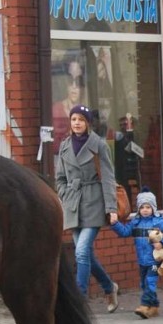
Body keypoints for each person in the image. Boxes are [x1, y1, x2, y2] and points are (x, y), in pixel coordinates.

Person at [55, 104, 120, 308]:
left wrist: (112, 208)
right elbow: (60, 178)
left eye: (81, 120)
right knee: (86, 254)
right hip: (73, 204)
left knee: (81, 251)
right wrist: (65, 194)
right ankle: (109, 287)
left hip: (94, 201)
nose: (77, 123)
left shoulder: (98, 144)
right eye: (74, 119)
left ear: (88, 123)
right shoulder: (64, 145)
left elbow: (108, 178)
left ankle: (80, 300)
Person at [110, 190, 163, 319]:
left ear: (153, 208)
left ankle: (145, 306)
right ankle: (154, 306)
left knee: (150, 281)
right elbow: (124, 232)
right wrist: (115, 224)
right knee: (143, 284)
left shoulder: (159, 223)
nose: (145, 210)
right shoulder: (135, 223)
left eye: (148, 207)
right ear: (138, 209)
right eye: (142, 207)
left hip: (154, 261)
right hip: (142, 261)